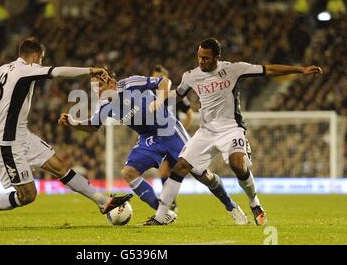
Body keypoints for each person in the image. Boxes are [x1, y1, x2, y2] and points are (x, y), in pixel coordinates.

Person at [0, 38, 132, 227]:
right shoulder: (27, 70)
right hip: (7, 143)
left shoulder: (3, 69)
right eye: (41, 59)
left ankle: (103, 202)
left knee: (59, 166)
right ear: (35, 55)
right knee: (28, 196)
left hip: (22, 135)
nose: (42, 63)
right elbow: (58, 72)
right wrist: (91, 70)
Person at [145, 38, 323, 226]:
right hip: (206, 131)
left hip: (231, 128)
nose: (201, 61)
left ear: (217, 57)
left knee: (238, 164)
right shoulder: (191, 76)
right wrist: (158, 100)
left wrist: (300, 70)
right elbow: (178, 94)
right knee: (180, 166)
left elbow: (268, 70)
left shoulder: (233, 69)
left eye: (206, 58)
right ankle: (160, 217)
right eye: (199, 57)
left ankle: (254, 203)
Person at [58, 69, 248, 225]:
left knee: (201, 174)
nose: (96, 90)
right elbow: (92, 125)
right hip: (148, 139)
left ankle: (232, 206)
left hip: (169, 130)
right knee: (128, 172)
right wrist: (74, 121)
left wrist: (159, 100)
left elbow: (164, 81)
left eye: (99, 85)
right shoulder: (103, 106)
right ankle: (162, 213)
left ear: (110, 82)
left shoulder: (131, 82)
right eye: (93, 87)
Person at [151, 65, 194, 212]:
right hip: (160, 139)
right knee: (163, 172)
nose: (155, 80)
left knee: (179, 171)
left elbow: (189, 114)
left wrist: (181, 131)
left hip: (174, 139)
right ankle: (170, 202)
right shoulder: (150, 95)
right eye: (154, 77)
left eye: (158, 77)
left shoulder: (174, 94)